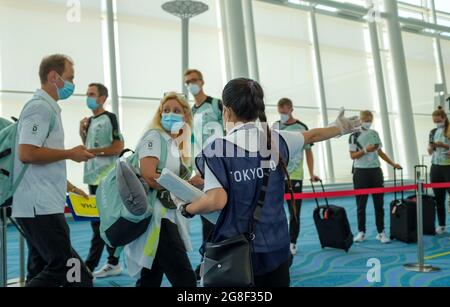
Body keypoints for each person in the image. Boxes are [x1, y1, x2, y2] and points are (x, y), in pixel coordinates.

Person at [180, 78, 360, 287]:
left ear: (226, 111)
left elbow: (216, 200)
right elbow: (312, 135)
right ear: (257, 109)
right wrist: (339, 127)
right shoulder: (278, 139)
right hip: (278, 245)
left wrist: (187, 208)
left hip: (238, 250)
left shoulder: (216, 148)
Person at [13, 54, 95, 287]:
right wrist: (70, 153)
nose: (72, 84)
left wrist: (70, 187)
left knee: (40, 267)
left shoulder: (47, 108)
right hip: (39, 206)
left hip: (39, 204)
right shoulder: (39, 108)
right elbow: (27, 153)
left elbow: (43, 158)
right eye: (70, 78)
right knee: (69, 271)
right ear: (53, 77)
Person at [124, 92, 196, 287]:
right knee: (186, 280)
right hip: (158, 218)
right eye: (166, 110)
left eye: (176, 111)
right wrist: (183, 187)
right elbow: (149, 174)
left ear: (185, 116)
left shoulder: (175, 144)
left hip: (165, 216)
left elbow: (176, 178)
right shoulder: (155, 137)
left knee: (151, 276)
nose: (169, 114)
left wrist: (192, 183)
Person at [79, 83, 125, 277]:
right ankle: (109, 262)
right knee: (96, 223)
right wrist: (81, 132)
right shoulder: (88, 121)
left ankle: (94, 265)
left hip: (105, 178)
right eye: (87, 93)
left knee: (102, 223)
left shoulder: (110, 118)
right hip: (92, 176)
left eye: (92, 94)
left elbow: (117, 147)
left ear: (102, 98)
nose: (88, 97)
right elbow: (87, 146)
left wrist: (93, 152)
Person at [184, 69, 224, 278]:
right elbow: (191, 143)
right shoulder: (190, 112)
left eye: (194, 80)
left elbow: (229, 133)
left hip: (222, 166)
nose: (191, 84)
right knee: (207, 217)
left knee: (225, 214)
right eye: (187, 82)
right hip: (202, 169)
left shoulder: (217, 105)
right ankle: (206, 262)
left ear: (202, 81)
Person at [273, 98, 320, 256]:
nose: (282, 114)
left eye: (284, 111)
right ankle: (279, 241)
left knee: (294, 212)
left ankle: (292, 242)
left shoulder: (301, 127)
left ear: (291, 109)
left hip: (296, 176)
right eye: (280, 111)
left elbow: (308, 152)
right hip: (277, 176)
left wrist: (312, 172)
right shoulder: (275, 126)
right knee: (274, 211)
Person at [349, 110, 401, 244]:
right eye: (365, 119)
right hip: (360, 172)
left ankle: (381, 232)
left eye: (369, 119)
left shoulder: (374, 134)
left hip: (376, 172)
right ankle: (361, 232)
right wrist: (366, 150)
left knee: (379, 204)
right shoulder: (354, 135)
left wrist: (393, 163)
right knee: (361, 205)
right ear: (360, 120)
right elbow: (352, 156)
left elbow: (380, 152)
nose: (367, 122)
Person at [428, 106, 450, 235]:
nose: (437, 123)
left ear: (444, 118)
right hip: (435, 166)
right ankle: (441, 225)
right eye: (435, 121)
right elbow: (430, 151)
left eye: (438, 120)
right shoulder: (432, 131)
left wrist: (443, 145)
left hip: (448, 166)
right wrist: (431, 147)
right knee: (438, 198)